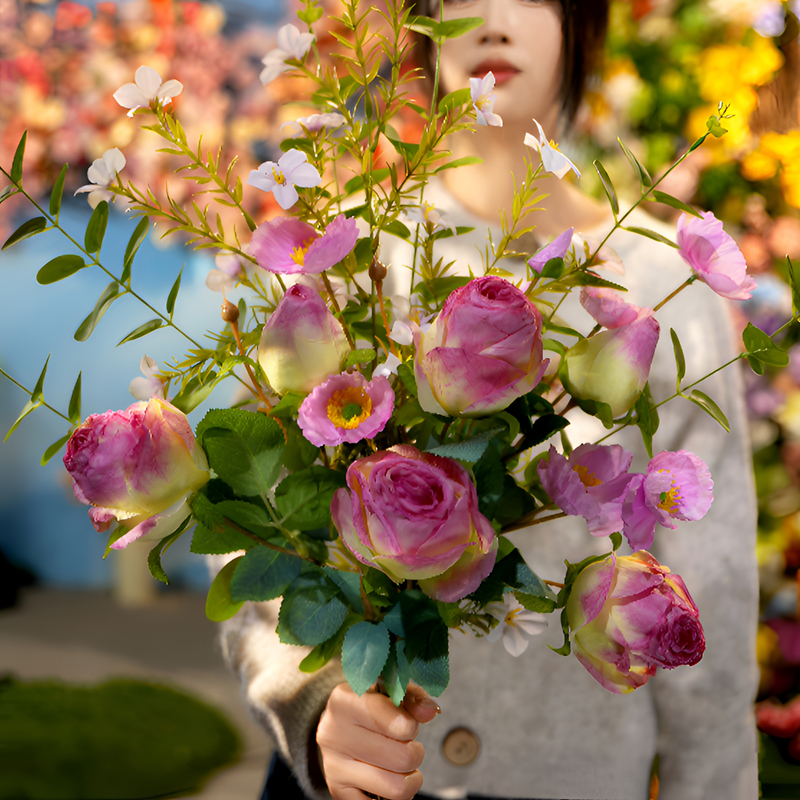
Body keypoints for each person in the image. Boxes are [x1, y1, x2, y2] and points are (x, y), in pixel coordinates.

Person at [219, 1, 760, 798]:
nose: (494, 20)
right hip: (355, 781)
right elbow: (250, 531)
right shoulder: (346, 252)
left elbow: (711, 596)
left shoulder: (663, 287)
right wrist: (311, 702)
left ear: (582, 22)